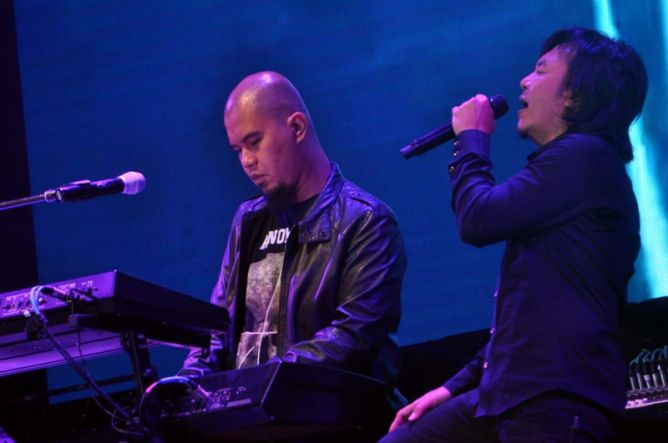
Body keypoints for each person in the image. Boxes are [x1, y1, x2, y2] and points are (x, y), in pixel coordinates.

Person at [381, 28, 648, 442]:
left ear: (573, 97)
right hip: (511, 394)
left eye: (541, 70)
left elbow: (478, 219)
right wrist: (450, 389)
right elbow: (526, 319)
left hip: (557, 400)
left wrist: (472, 138)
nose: (524, 81)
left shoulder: (586, 157)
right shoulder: (571, 168)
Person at [181, 71, 406, 405]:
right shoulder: (247, 220)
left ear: (297, 127)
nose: (246, 161)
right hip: (253, 416)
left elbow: (350, 339)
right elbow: (217, 330)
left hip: (334, 418)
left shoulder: (366, 221)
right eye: (238, 150)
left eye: (254, 142)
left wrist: (257, 385)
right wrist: (187, 385)